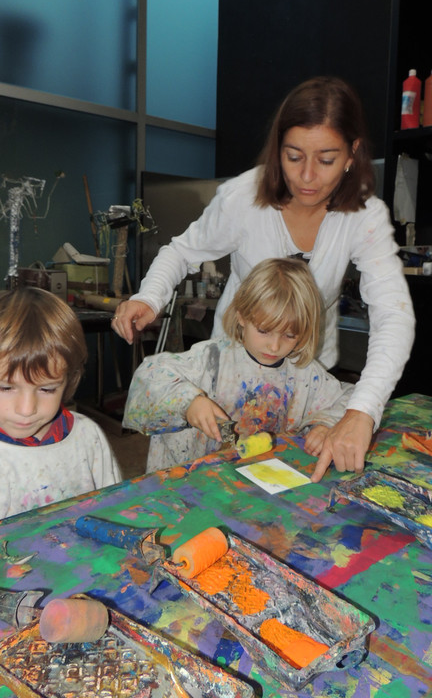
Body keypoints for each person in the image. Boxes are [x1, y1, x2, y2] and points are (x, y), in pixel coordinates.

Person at [113, 76, 415, 482]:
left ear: (351, 154)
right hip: (231, 364)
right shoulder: (243, 198)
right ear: (278, 149)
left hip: (301, 368)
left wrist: (358, 413)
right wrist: (150, 297)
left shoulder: (364, 215)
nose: (306, 176)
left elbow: (393, 315)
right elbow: (183, 251)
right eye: (293, 156)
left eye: (326, 160)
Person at [123, 258, 354, 472]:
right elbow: (149, 376)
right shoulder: (211, 359)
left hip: (257, 484)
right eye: (264, 331)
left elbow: (352, 400)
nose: (274, 346)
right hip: (189, 482)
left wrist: (325, 425)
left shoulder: (306, 374)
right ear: (242, 316)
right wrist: (188, 402)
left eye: (289, 335)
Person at [0, 286, 121, 519]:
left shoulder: (88, 437)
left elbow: (114, 507)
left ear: (69, 381)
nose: (26, 409)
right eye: (5, 388)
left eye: (47, 389)